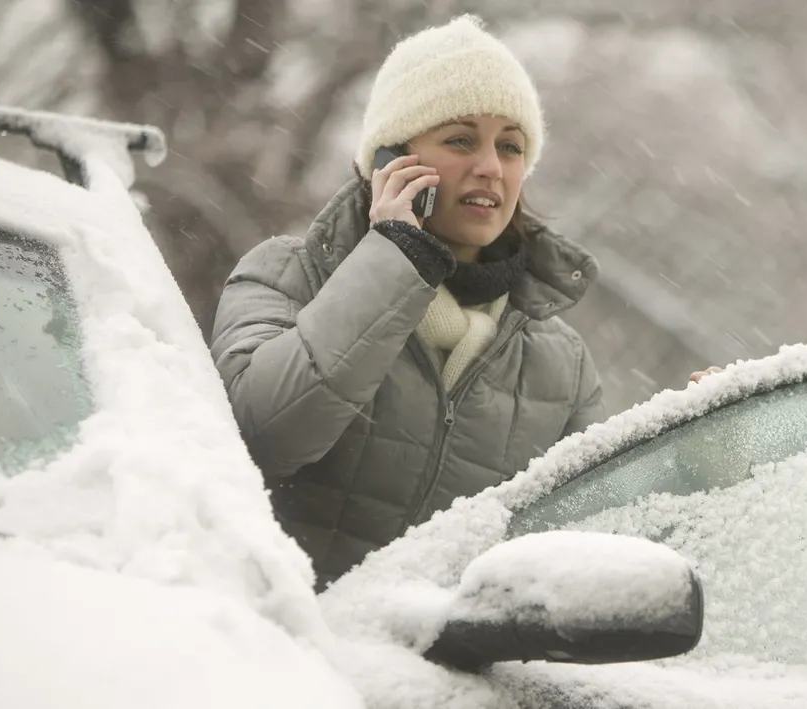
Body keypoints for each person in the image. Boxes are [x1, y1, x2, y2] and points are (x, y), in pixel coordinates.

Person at [209, 15, 604, 591]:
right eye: (460, 140)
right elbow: (263, 437)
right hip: (286, 659)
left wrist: (703, 451)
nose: (491, 166)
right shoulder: (285, 275)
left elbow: (596, 542)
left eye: (511, 146)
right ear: (388, 160)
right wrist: (395, 259)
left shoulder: (561, 364)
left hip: (444, 678)